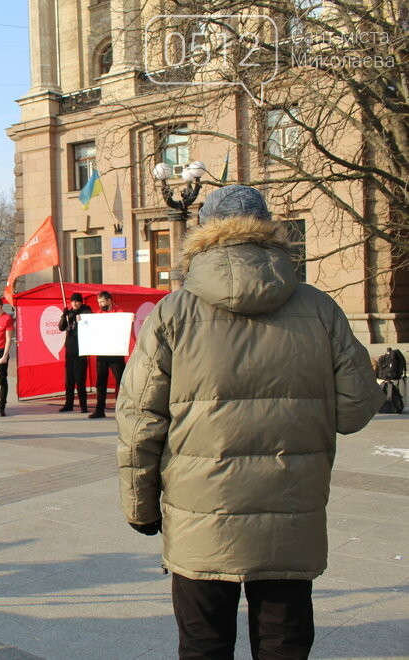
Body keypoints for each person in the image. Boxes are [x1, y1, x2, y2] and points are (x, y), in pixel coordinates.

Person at [116, 185, 384, 659]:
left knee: (204, 644)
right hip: (291, 509)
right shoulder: (320, 308)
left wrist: (141, 506)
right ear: (269, 231)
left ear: (203, 235)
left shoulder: (172, 312)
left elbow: (139, 421)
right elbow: (356, 409)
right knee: (284, 642)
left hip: (200, 511)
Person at [89, 290, 125, 419]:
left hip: (116, 352)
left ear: (109, 300)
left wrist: (131, 320)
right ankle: (99, 409)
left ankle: (122, 409)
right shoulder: (98, 315)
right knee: (101, 382)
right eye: (99, 302)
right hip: (102, 352)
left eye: (102, 301)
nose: (100, 304)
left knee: (121, 381)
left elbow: (125, 326)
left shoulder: (120, 313)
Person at [58, 293, 92, 413]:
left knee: (80, 380)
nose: (75, 303)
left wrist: (80, 317)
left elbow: (90, 322)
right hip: (70, 350)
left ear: (81, 302)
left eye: (77, 301)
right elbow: (61, 327)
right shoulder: (69, 313)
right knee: (69, 380)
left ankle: (83, 405)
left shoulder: (86, 311)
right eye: (73, 301)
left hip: (81, 351)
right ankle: (69, 404)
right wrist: (64, 315)